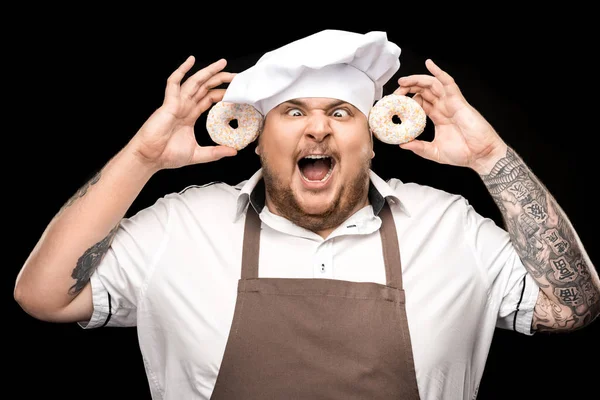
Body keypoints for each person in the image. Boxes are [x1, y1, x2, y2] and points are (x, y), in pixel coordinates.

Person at [14, 29, 599, 400]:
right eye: (292, 111)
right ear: (258, 140)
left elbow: (572, 309)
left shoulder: (448, 225)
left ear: (371, 141)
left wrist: (490, 158)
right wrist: (143, 157)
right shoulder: (182, 223)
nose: (318, 127)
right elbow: (44, 297)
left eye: (342, 112)